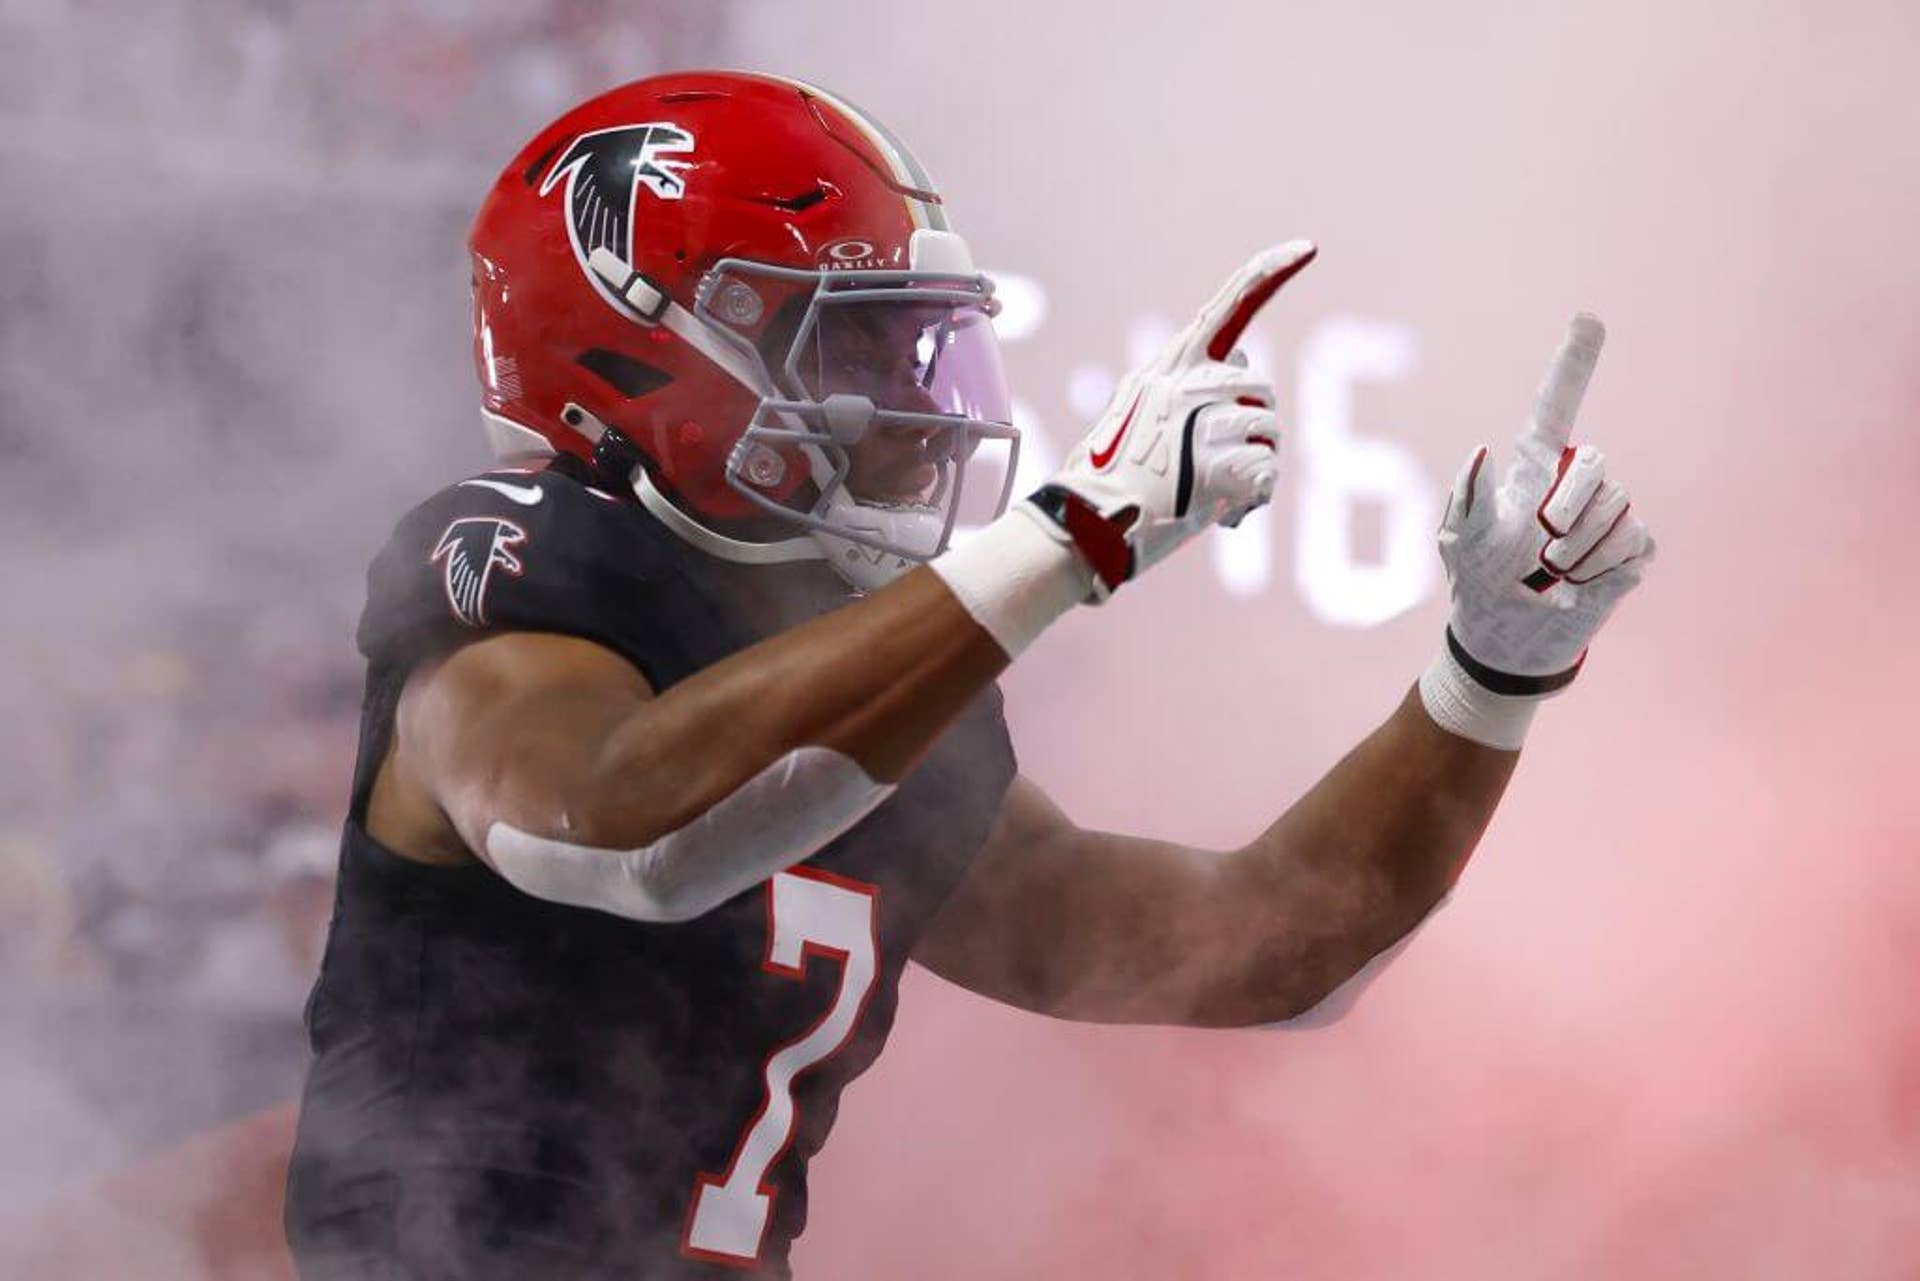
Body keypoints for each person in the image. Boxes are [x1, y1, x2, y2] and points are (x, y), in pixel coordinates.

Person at [282, 70, 1656, 1280]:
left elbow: (1260, 946)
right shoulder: (513, 564)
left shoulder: (862, 671)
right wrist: (1063, 538)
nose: (917, 394)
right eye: (852, 341)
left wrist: (1489, 672)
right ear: (645, 346)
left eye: (919, 339)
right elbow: (624, 832)